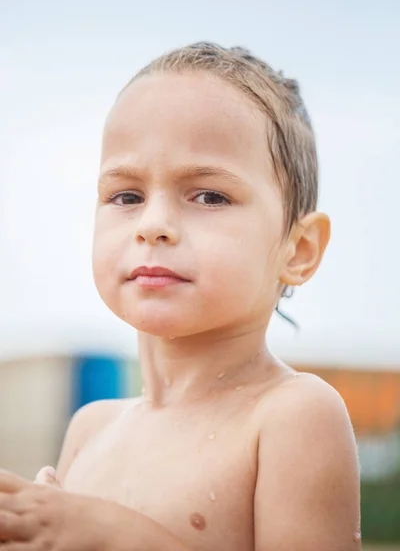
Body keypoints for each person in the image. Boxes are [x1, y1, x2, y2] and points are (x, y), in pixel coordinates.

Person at [0, 42, 361, 550]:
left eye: (209, 195)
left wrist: (109, 535)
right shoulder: (90, 427)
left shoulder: (292, 414)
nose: (154, 225)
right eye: (127, 195)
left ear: (298, 250)